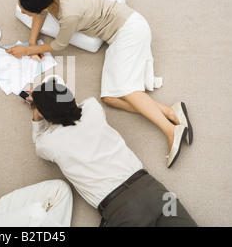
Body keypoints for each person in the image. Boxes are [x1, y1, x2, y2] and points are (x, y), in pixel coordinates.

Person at [10, 0, 193, 167]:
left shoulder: (69, 14)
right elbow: (40, 13)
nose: (22, 13)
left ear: (42, 6)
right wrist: (31, 43)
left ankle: (170, 130)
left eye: (25, 12)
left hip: (129, 30)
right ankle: (170, 111)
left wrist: (27, 51)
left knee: (127, 90)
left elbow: (59, 44)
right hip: (116, 37)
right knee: (110, 98)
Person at [23, 81, 197, 227]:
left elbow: (38, 139)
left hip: (122, 211)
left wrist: (38, 113)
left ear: (47, 116)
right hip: (155, 192)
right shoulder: (92, 107)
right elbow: (73, 106)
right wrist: (47, 99)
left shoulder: (49, 143)